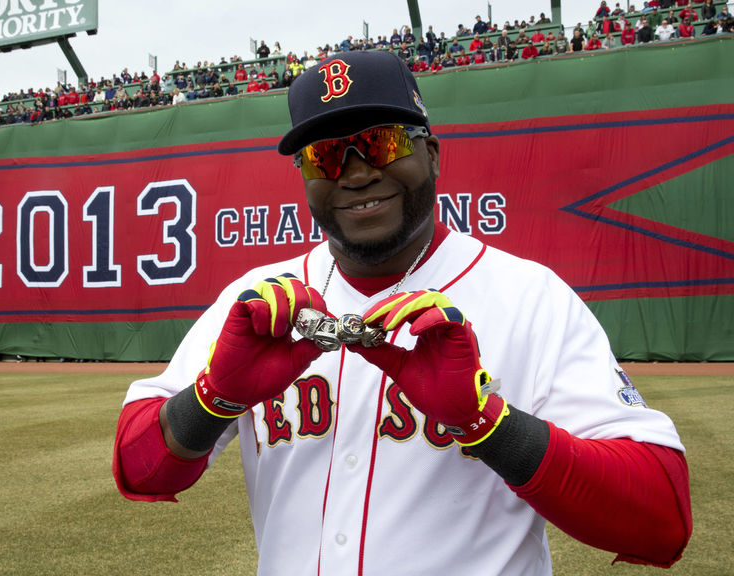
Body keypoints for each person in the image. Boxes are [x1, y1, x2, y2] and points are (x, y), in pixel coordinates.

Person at [113, 50, 692, 576]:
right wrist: (215, 398)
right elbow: (138, 468)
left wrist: (487, 424)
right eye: (326, 155)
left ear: (431, 153)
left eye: (383, 143)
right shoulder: (260, 298)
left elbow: (661, 519)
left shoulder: (528, 296)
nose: (357, 172)